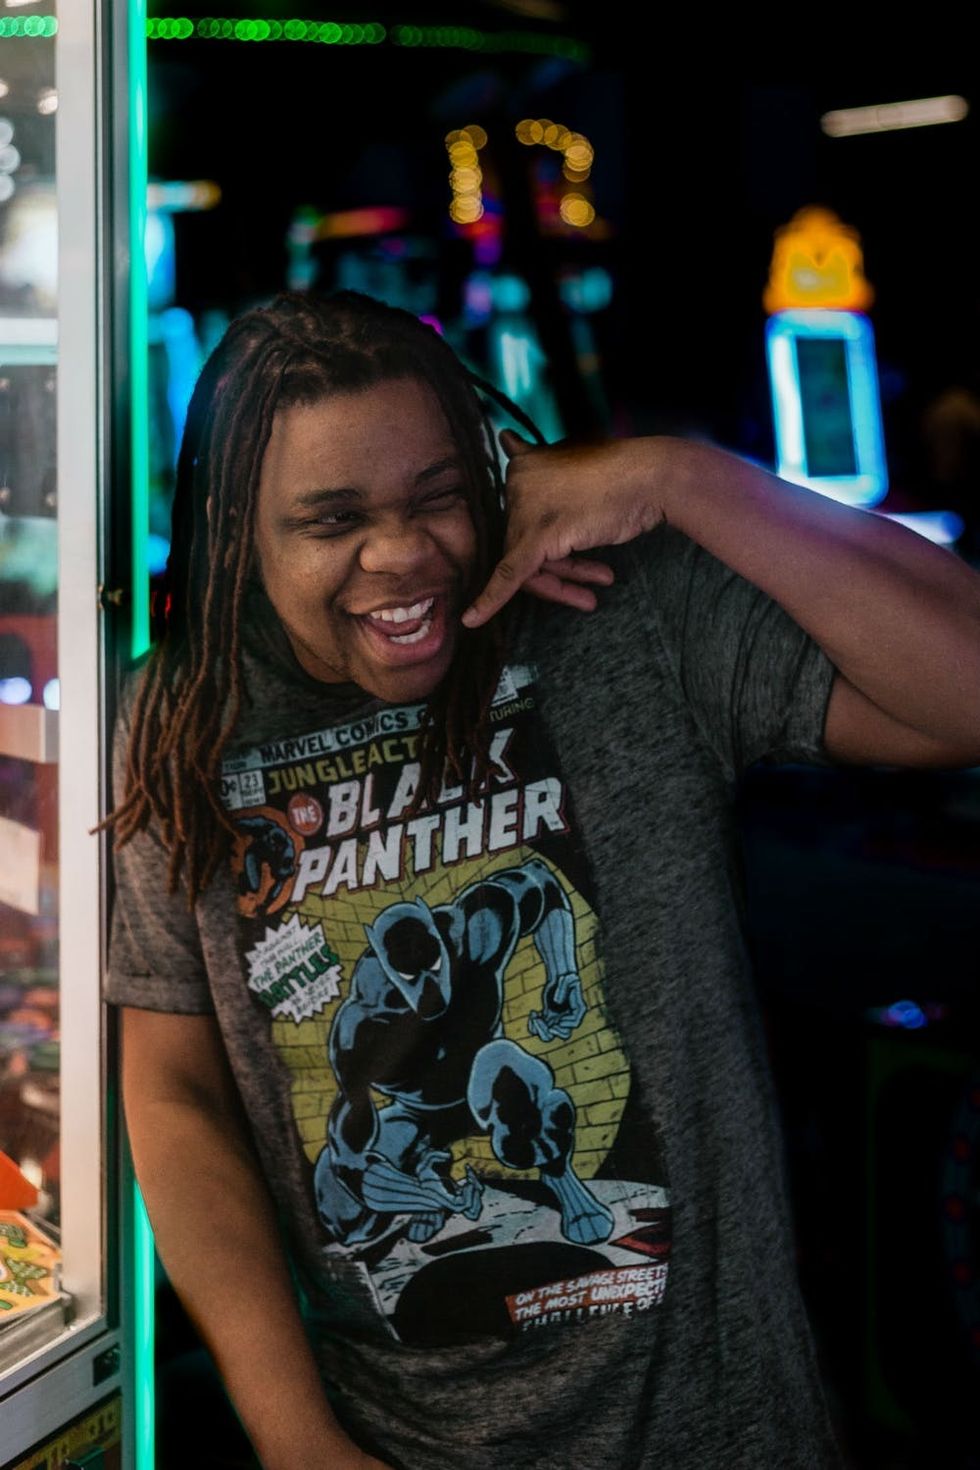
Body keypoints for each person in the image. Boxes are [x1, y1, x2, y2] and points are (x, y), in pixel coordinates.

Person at [105, 290, 980, 1470]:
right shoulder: (180, 720)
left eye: (436, 496)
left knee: (509, 1073)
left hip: (717, 1433)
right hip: (394, 1437)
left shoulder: (617, 614)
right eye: (333, 519)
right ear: (233, 532)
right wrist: (295, 1435)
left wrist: (678, 477)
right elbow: (174, 1092)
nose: (401, 554)